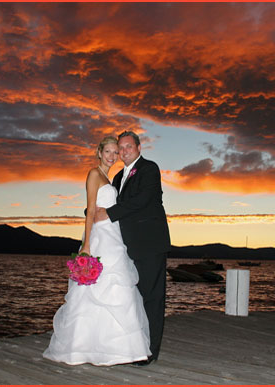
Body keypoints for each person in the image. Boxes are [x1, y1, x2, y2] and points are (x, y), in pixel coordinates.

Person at [43, 136, 151, 366]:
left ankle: (118, 348)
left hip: (113, 236)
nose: (113, 156)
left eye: (116, 152)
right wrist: (87, 245)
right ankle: (82, 347)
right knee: (92, 291)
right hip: (100, 237)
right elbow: (90, 210)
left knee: (117, 288)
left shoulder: (110, 178)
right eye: (109, 152)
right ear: (99, 152)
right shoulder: (94, 174)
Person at [94, 130, 170, 365]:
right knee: (133, 298)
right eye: (121, 148)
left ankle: (150, 352)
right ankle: (134, 346)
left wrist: (109, 213)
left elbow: (142, 200)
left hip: (149, 243)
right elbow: (111, 203)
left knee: (152, 297)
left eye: (128, 146)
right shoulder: (118, 177)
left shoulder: (149, 169)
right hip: (126, 245)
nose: (124, 151)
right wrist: (92, 214)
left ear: (138, 148)